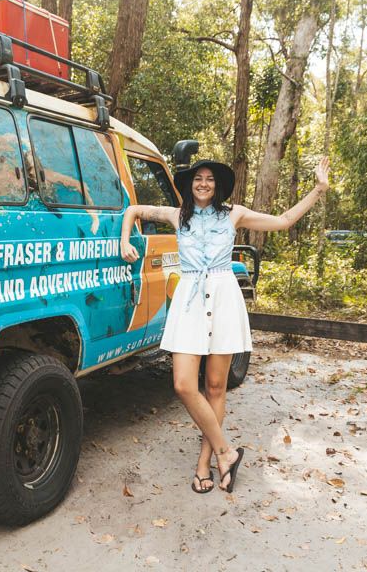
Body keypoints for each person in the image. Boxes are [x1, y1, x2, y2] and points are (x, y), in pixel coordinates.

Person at [120, 156, 330, 493]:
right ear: (189, 184)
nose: (203, 184)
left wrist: (318, 189)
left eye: (210, 179)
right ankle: (226, 452)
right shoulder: (177, 216)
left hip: (223, 298)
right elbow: (132, 211)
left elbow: (285, 220)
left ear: (217, 186)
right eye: (197, 178)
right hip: (190, 298)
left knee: (216, 387)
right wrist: (124, 241)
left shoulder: (235, 214)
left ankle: (206, 463)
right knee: (184, 385)